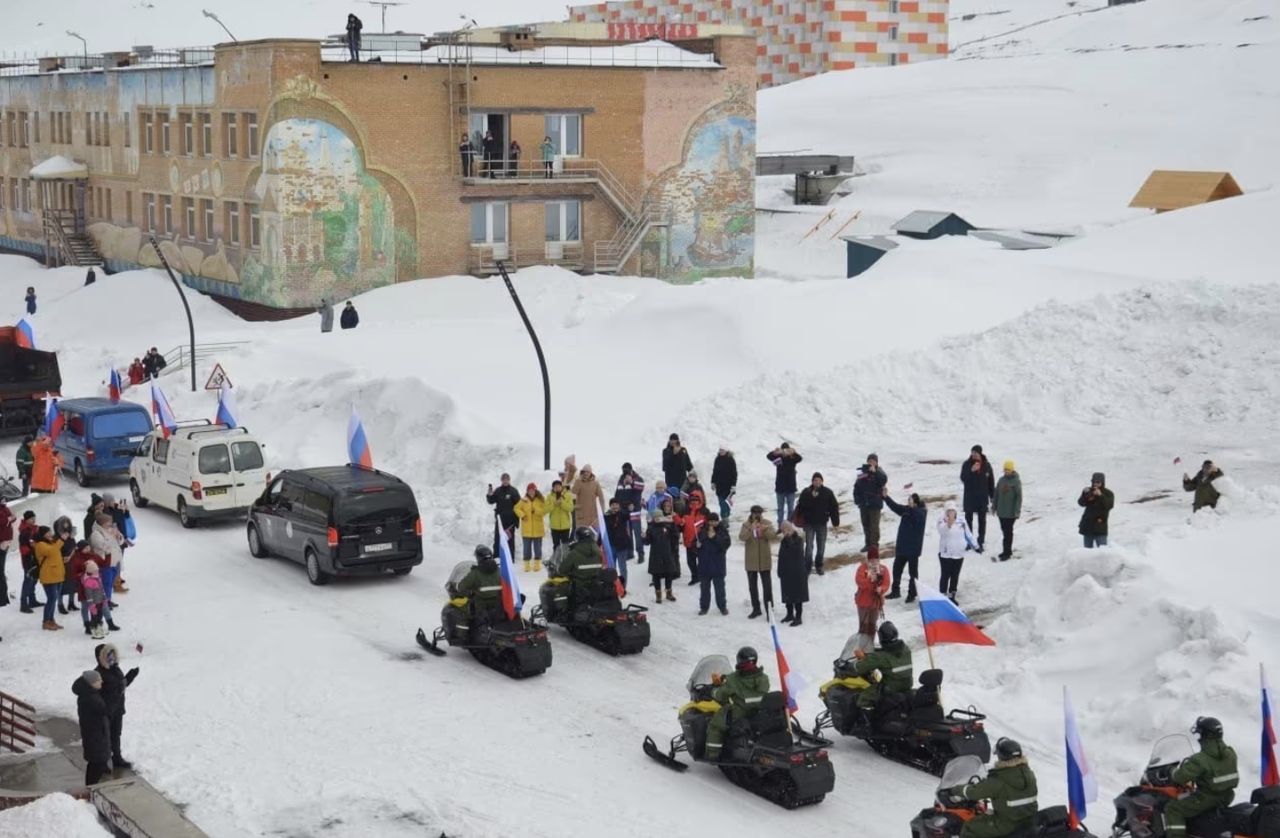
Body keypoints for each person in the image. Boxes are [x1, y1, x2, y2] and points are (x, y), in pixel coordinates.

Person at [946, 737, 1038, 838]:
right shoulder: (1029, 774)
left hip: (1008, 824)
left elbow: (974, 792)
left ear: (1001, 756)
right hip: (1028, 821)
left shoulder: (999, 779)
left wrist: (955, 790)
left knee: (970, 826)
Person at [1164, 716, 1239, 837]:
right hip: (1226, 797)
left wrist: (1172, 771)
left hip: (1206, 799)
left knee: (1173, 808)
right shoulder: (1230, 753)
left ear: (1205, 735)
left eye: (1199, 734)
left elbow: (1180, 777)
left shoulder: (1200, 759)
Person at [705, 647, 770, 761]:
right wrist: (727, 678)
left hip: (739, 714)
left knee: (715, 725)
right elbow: (748, 683)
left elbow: (721, 695)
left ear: (739, 661)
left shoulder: (734, 680)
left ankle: (712, 755)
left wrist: (711, 691)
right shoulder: (763, 678)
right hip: (758, 713)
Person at [848, 621, 912, 714]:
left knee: (863, 697)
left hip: (891, 688)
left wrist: (854, 664)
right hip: (907, 685)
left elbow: (860, 667)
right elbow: (889, 652)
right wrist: (871, 653)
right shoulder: (905, 648)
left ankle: (870, 722)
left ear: (882, 637)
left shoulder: (880, 657)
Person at [95, 643, 139, 772]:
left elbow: (121, 685)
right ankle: (102, 762)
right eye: (108, 654)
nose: (111, 657)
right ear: (100, 657)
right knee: (104, 737)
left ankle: (117, 758)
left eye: (112, 654)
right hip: (106, 711)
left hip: (118, 709)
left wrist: (130, 676)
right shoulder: (98, 673)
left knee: (116, 734)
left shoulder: (115, 668)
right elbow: (98, 693)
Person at [883, 492, 926, 602]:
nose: (908, 503)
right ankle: (895, 590)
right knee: (897, 569)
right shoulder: (906, 510)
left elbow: (918, 517)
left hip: (913, 549)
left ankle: (912, 593)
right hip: (902, 546)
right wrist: (886, 497)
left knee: (913, 573)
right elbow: (895, 507)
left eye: (910, 501)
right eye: (908, 501)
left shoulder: (921, 512)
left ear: (916, 502)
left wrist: (912, 508)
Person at [795, 472, 840, 575]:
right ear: (812, 481)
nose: (817, 482)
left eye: (819, 480)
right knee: (809, 546)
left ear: (822, 481)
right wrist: (811, 498)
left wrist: (835, 522)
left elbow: (834, 507)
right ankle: (807, 566)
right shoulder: (806, 492)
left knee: (821, 546)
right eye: (815, 480)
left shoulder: (828, 492)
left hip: (822, 523)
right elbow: (801, 506)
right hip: (809, 523)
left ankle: (819, 565)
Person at [73, 669, 111, 785]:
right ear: (91, 683)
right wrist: (117, 694)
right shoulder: (91, 698)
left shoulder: (89, 693)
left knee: (95, 762)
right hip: (95, 735)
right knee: (96, 764)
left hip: (95, 734)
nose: (101, 681)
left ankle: (90, 786)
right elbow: (107, 710)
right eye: (98, 680)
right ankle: (90, 788)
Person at [739, 505, 775, 619]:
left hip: (764, 560)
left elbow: (772, 536)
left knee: (767, 587)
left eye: (759, 513)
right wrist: (751, 529)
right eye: (755, 513)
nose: (757, 515)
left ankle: (770, 610)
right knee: (753, 587)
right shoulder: (745, 525)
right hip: (751, 561)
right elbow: (742, 537)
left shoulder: (767, 523)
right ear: (752, 513)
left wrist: (764, 530)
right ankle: (756, 608)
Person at [456, 545, 505, 627]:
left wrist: (467, 592)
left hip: (481, 607)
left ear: (478, 558)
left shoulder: (475, 573)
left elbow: (461, 587)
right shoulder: (500, 570)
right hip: (498, 605)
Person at [559, 526, 607, 608]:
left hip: (579, 588)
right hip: (595, 585)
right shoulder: (598, 551)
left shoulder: (574, 553)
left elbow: (562, 570)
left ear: (577, 538)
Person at [937, 501, 975, 604]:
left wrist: (975, 545)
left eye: (953, 511)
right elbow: (942, 531)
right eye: (949, 511)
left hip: (959, 553)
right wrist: (949, 522)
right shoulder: (942, 520)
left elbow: (968, 534)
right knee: (945, 575)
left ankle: (952, 595)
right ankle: (943, 596)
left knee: (955, 575)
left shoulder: (961, 521)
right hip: (946, 554)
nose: (951, 513)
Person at [644, 498, 681, 603]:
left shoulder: (668, 525)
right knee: (656, 575)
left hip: (667, 553)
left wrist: (674, 546)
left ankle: (669, 593)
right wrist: (643, 537)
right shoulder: (651, 528)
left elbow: (675, 536)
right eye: (655, 517)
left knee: (669, 573)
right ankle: (658, 595)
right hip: (655, 554)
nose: (657, 518)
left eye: (659, 516)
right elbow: (647, 542)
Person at [960, 445, 995, 553]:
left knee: (982, 520)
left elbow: (991, 482)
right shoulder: (966, 464)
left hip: (982, 498)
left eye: (975, 453)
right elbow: (963, 478)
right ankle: (970, 542)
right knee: (968, 520)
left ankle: (980, 541)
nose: (973, 455)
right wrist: (971, 470)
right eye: (972, 452)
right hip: (969, 497)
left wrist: (992, 496)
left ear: (980, 453)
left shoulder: (987, 466)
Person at [854, 547, 890, 651]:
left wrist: (881, 589)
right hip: (863, 602)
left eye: (876, 559)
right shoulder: (862, 569)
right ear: (868, 560)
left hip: (876, 603)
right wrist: (870, 580)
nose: (874, 562)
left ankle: (870, 646)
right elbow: (859, 581)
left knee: (872, 625)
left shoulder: (883, 570)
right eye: (871, 560)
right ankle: (862, 647)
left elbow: (886, 583)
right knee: (863, 625)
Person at [695, 512, 730, 616]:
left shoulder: (723, 531)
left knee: (720, 589)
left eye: (715, 521)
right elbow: (694, 545)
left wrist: (714, 537)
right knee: (704, 589)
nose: (713, 523)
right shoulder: (701, 531)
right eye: (711, 521)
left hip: (718, 566)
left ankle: (722, 607)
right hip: (704, 565)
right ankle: (704, 607)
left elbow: (725, 545)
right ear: (708, 522)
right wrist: (696, 545)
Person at [853, 453, 888, 551]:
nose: (871, 463)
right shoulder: (863, 473)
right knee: (865, 524)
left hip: (875, 504)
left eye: (873, 461)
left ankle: (874, 545)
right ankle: (867, 544)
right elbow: (856, 487)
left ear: (876, 463)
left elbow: (883, 480)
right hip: (864, 504)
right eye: (869, 461)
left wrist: (875, 472)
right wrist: (857, 500)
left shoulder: (879, 472)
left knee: (874, 525)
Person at [776, 521, 808, 626]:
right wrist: (779, 570)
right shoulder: (783, 541)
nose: (784, 533)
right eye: (783, 531)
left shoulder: (799, 540)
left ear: (790, 529)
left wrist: (789, 538)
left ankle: (798, 617)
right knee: (787, 595)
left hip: (797, 572)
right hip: (786, 572)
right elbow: (781, 557)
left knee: (798, 596)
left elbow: (795, 551)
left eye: (785, 530)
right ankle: (789, 614)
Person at [674, 489, 708, 585]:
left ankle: (703, 577)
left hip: (700, 541)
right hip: (688, 540)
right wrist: (675, 518)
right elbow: (681, 523)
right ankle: (695, 577)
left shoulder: (705, 511)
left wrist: (704, 537)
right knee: (690, 562)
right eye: (692, 499)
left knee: (702, 561)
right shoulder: (685, 510)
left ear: (700, 500)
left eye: (696, 500)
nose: (694, 501)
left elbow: (708, 525)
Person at [766, 442, 803, 529]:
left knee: (790, 509)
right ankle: (780, 526)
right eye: (784, 450)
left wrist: (793, 452)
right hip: (780, 488)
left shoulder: (792, 458)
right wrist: (775, 452)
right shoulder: (778, 458)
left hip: (791, 488)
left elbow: (800, 458)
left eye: (787, 450)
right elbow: (768, 456)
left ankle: (788, 525)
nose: (785, 452)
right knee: (780, 509)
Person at [35, 525, 66, 630]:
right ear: (42, 534)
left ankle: (51, 620)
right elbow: (51, 551)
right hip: (49, 576)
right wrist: (61, 540)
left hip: (57, 575)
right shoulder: (40, 544)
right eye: (48, 532)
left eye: (50, 532)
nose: (50, 534)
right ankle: (46, 621)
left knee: (54, 599)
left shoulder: (52, 542)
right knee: (51, 599)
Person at [615, 463, 646, 564]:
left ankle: (641, 554)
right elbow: (618, 493)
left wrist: (631, 482)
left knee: (637, 534)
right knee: (627, 533)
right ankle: (630, 552)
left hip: (635, 510)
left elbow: (640, 490)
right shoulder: (621, 479)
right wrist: (617, 504)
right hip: (624, 511)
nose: (625, 472)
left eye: (627, 470)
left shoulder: (638, 478)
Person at [90, 513, 123, 605]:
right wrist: (112, 543)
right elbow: (101, 546)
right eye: (108, 522)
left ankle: (108, 599)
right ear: (103, 523)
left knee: (111, 581)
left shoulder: (111, 530)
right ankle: (103, 602)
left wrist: (118, 536)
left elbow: (120, 542)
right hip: (105, 561)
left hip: (114, 559)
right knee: (106, 582)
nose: (110, 524)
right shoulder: (96, 533)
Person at [103, 494, 133, 595]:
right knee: (116, 562)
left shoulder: (117, 508)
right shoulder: (106, 512)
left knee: (119, 560)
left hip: (121, 538)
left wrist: (126, 510)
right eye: (110, 501)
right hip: (114, 540)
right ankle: (116, 583)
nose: (113, 502)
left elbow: (126, 517)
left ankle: (117, 578)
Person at [514, 483, 547, 572]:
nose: (531, 492)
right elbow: (516, 508)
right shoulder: (523, 500)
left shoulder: (540, 500)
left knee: (537, 548)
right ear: (527, 491)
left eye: (533, 490)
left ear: (535, 491)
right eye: (530, 490)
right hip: (527, 529)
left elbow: (544, 511)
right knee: (526, 548)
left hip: (538, 529)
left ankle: (537, 564)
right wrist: (522, 515)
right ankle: (527, 564)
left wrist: (536, 511)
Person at [994, 460, 1023, 561]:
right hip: (1001, 511)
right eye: (1005, 470)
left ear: (1012, 470)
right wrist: (994, 506)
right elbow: (996, 494)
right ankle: (1006, 550)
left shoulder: (1016, 481)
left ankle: (1007, 552)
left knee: (1008, 532)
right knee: (1004, 531)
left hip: (1011, 513)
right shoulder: (1001, 480)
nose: (1006, 472)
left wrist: (1017, 511)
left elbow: (1019, 497)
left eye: (1008, 470)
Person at [80, 559, 117, 638]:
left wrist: (104, 598)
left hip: (100, 601)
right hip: (94, 603)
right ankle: (94, 631)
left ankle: (99, 629)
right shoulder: (89, 581)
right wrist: (92, 605)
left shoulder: (97, 578)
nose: (97, 571)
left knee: (99, 616)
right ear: (91, 571)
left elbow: (101, 589)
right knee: (94, 618)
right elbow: (89, 595)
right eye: (95, 570)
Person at [1077, 472, 1114, 549]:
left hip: (1100, 527)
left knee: (1103, 552)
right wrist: (1085, 496)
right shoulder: (1088, 491)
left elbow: (1109, 505)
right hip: (1087, 526)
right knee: (1087, 552)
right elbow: (1081, 503)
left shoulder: (1108, 493)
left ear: (1102, 482)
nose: (1095, 484)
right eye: (1094, 482)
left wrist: (1100, 495)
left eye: (1098, 482)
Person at [569, 464, 606, 532]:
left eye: (587, 472)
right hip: (581, 515)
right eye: (584, 472)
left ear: (591, 473)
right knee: (581, 536)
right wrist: (578, 481)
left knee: (593, 536)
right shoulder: (578, 482)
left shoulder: (595, 483)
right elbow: (574, 492)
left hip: (592, 515)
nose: (586, 473)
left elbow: (601, 498)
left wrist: (602, 510)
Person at [18, 511, 41, 613]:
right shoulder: (24, 532)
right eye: (31, 518)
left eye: (34, 518)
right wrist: (33, 549)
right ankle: (23, 604)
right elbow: (24, 549)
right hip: (28, 560)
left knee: (34, 579)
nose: (34, 520)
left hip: (35, 559)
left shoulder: (35, 529)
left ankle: (32, 600)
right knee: (28, 581)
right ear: (26, 519)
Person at [546, 479, 575, 549]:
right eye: (555, 487)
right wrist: (554, 504)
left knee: (565, 545)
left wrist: (562, 503)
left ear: (561, 487)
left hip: (565, 526)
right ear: (553, 488)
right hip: (554, 526)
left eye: (559, 486)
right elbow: (546, 509)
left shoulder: (567, 495)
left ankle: (565, 559)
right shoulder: (549, 497)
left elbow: (571, 508)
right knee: (556, 545)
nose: (557, 488)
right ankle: (556, 559)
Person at [710, 447, 738, 521]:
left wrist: (733, 485)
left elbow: (734, 473)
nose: (721, 451)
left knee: (725, 502)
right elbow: (714, 471)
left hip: (728, 486)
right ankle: (725, 517)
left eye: (723, 450)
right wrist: (713, 482)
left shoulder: (731, 460)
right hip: (719, 485)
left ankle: (725, 518)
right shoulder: (717, 459)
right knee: (721, 502)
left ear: (726, 451)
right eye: (720, 450)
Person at [0, 500, 13, 607]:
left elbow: (13, 517)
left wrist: (8, 519)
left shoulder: (4, 508)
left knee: (1, 570)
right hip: (3, 541)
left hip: (4, 542)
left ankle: (3, 598)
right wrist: (7, 519)